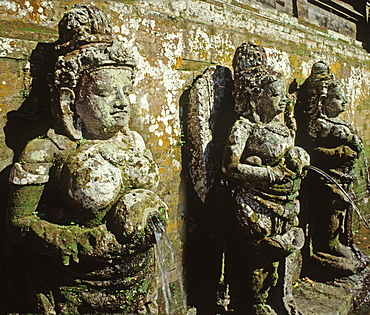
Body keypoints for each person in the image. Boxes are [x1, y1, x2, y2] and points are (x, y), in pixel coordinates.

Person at [6, 4, 166, 314]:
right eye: (105, 92)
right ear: (71, 99)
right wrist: (79, 241)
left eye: (127, 91)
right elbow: (19, 223)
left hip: (140, 279)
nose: (121, 102)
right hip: (77, 287)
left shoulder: (133, 141)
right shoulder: (44, 151)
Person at [222, 42, 310, 315]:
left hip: (285, 201)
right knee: (257, 257)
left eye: (283, 94)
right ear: (254, 98)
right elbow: (229, 167)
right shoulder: (245, 126)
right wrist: (270, 173)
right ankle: (251, 304)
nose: (282, 100)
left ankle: (277, 298)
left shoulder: (281, 127)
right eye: (275, 94)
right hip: (254, 203)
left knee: (280, 253)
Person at [298, 61, 368, 277]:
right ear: (323, 101)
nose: (344, 101)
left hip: (343, 178)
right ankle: (326, 247)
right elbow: (314, 152)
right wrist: (340, 154)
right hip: (328, 180)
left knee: (343, 213)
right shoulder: (319, 124)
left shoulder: (339, 123)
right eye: (338, 98)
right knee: (331, 213)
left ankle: (341, 242)